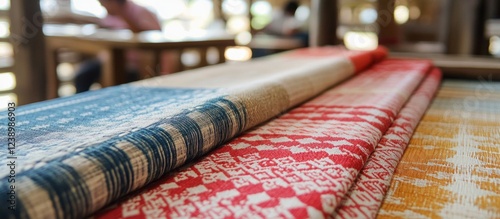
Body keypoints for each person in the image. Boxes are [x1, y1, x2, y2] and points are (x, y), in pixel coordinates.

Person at [74, 0, 161, 93]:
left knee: (118, 78)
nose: (103, 7)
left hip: (135, 63)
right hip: (107, 59)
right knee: (82, 75)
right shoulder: (109, 15)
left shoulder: (141, 11)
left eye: (104, 4)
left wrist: (121, 13)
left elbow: (154, 37)